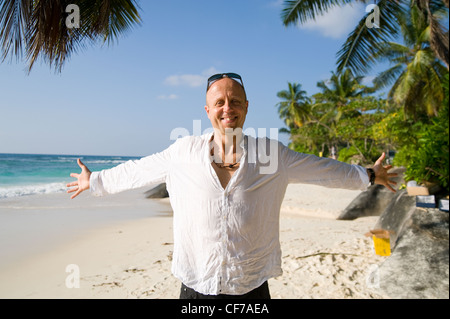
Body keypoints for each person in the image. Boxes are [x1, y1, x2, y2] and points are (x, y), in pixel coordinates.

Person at [67, 72, 397, 299]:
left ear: (247, 107)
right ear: (208, 110)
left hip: (251, 282)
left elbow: (322, 170)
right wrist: (94, 180)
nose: (228, 108)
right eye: (221, 102)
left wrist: (367, 175)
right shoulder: (183, 151)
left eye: (235, 101)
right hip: (196, 281)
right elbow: (139, 170)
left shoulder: (272, 155)